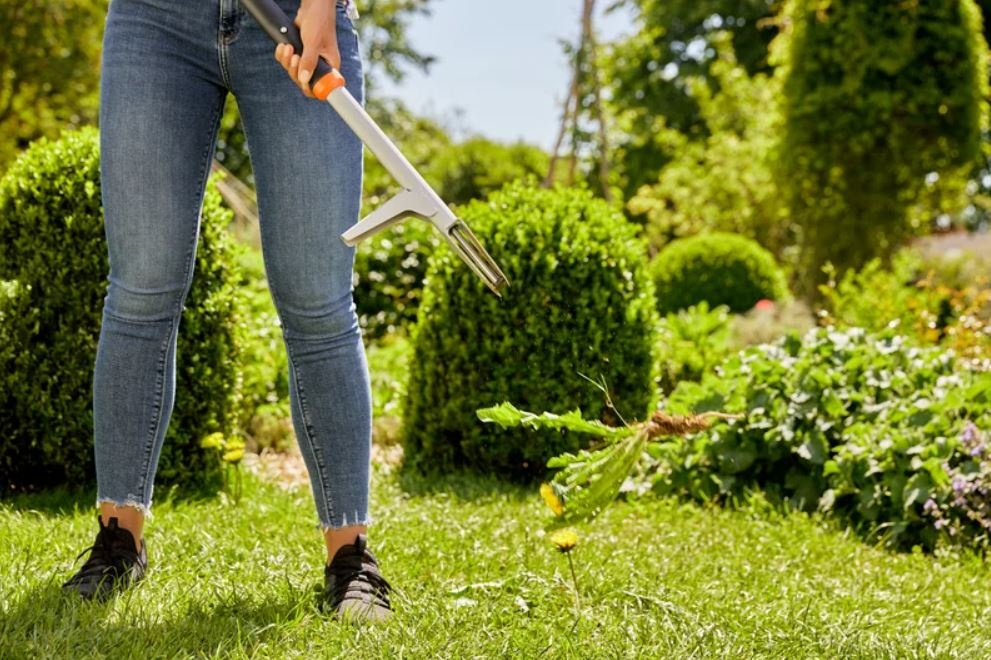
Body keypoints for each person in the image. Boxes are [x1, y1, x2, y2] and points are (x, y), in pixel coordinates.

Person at [61, 0, 392, 622]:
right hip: (155, 18)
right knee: (140, 292)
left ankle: (350, 559)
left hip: (296, 17)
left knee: (318, 301)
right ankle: (118, 543)